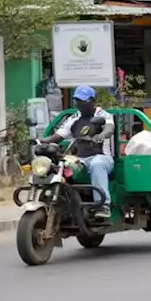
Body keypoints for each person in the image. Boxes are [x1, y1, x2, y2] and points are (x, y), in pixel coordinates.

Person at [49, 86, 115, 221]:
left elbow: (109, 129)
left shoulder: (104, 115)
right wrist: (40, 140)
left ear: (92, 101)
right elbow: (58, 136)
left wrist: (100, 136)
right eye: (77, 101)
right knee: (59, 165)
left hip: (102, 157)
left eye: (82, 101)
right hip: (80, 159)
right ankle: (59, 201)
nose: (79, 104)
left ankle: (103, 206)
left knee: (97, 164)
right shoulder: (75, 117)